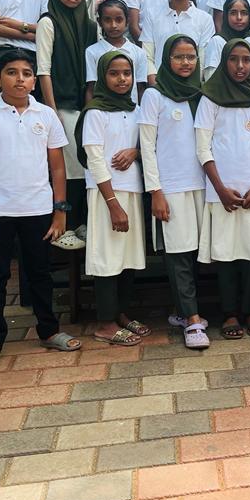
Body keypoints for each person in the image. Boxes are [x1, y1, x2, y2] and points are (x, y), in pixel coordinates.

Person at [0, 49, 80, 372]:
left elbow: (58, 168)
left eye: (27, 73)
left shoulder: (46, 115)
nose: (20, 79)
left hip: (37, 209)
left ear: (34, 81)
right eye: (12, 72)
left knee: (40, 273)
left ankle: (49, 331)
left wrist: (60, 211)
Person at [195, 39, 250, 339]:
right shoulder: (210, 98)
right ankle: (229, 312)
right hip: (222, 190)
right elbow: (203, 147)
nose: (240, 66)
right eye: (234, 60)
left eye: (246, 60)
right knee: (226, 252)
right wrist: (220, 188)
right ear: (224, 62)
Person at [139, 34, 209, 349]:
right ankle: (193, 322)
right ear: (166, 60)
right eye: (178, 57)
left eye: (190, 57)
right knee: (178, 252)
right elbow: (147, 146)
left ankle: (183, 312)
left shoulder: (201, 94)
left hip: (203, 185)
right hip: (171, 186)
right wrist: (155, 190)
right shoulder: (155, 95)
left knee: (195, 252)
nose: (185, 63)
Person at [76, 50, 150, 346]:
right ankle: (105, 323)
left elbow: (147, 144)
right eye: (114, 73)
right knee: (107, 257)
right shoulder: (95, 112)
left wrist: (136, 152)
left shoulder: (136, 109)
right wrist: (112, 204)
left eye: (127, 74)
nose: (122, 79)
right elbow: (94, 159)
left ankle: (120, 313)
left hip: (131, 189)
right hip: (106, 194)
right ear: (102, 77)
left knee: (128, 256)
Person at [35, 0, 95, 249]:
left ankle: (82, 223)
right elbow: (43, 70)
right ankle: (67, 226)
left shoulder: (90, 25)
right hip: (62, 105)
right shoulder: (49, 22)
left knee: (86, 166)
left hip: (86, 106)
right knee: (71, 167)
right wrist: (52, 111)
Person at [142, 0, 214, 84]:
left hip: (191, 87)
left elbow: (202, 60)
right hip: (160, 84)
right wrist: (156, 86)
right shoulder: (152, 15)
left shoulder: (204, 19)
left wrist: (191, 87)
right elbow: (147, 56)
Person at [85, 0, 147, 104]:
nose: (113, 25)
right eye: (107, 20)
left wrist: (142, 112)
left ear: (127, 21)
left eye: (119, 20)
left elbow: (141, 88)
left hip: (131, 110)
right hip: (102, 109)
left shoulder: (139, 53)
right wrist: (89, 110)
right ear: (100, 22)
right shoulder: (92, 51)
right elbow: (91, 88)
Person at [210, 0, 250, 77]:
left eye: (244, 13)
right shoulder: (217, 41)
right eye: (233, 13)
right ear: (226, 16)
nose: (239, 17)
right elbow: (211, 76)